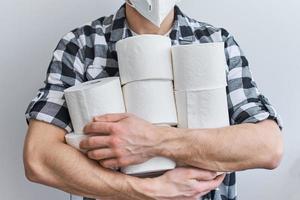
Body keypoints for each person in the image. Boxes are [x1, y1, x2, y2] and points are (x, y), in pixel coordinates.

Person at [23, 0, 283, 200]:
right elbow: (39, 158)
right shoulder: (81, 45)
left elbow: (267, 147)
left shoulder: (216, 43)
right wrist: (149, 189)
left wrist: (153, 142)